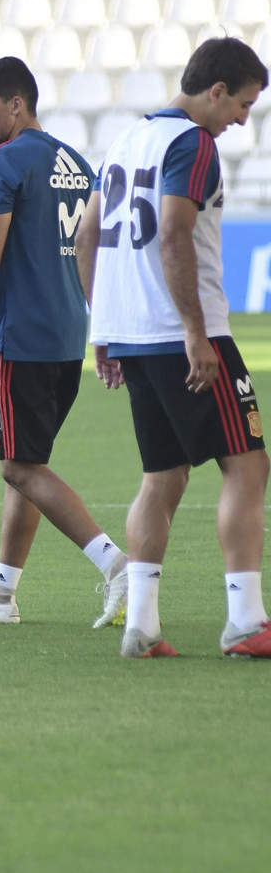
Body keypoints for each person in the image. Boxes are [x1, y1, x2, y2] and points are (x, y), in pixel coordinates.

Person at [0, 56, 130, 628]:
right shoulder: (74, 161)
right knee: (29, 462)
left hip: (22, 338)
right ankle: (1, 596)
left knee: (18, 467)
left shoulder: (2, 161)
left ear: (17, 104)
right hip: (65, 334)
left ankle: (116, 566)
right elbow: (92, 251)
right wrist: (101, 328)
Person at [74, 36, 271, 659]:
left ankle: (142, 624)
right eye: (242, 104)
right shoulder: (194, 143)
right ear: (215, 91)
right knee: (247, 463)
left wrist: (101, 326)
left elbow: (87, 232)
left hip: (130, 332)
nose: (244, 118)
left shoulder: (128, 138)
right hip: (185, 331)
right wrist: (195, 332)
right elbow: (174, 237)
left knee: (162, 476)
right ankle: (246, 621)